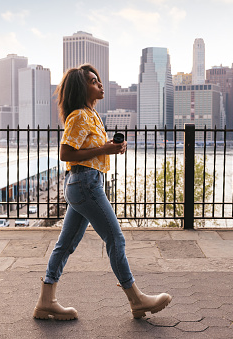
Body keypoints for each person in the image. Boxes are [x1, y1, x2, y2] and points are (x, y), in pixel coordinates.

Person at [33, 64, 172, 321]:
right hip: (85, 184)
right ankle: (137, 299)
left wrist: (111, 148)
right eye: (94, 81)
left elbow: (92, 149)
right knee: (115, 239)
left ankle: (46, 301)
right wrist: (103, 150)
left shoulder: (92, 115)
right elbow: (66, 153)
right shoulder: (79, 116)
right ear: (81, 87)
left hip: (86, 183)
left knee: (65, 245)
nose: (100, 84)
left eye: (99, 80)